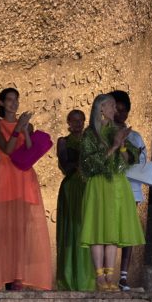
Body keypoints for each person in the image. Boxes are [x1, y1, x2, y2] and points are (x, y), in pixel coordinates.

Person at [0, 88, 52, 291]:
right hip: (4, 177)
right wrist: (18, 129)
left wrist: (26, 130)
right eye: (10, 100)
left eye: (16, 99)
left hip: (24, 177)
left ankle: (18, 276)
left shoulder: (24, 124)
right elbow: (7, 149)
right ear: (1, 102)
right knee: (3, 231)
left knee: (21, 230)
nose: (14, 103)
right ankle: (1, 275)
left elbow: (29, 150)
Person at [80, 94, 145, 291]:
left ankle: (109, 276)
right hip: (99, 184)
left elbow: (131, 158)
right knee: (99, 229)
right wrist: (114, 145)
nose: (114, 110)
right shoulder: (90, 134)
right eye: (111, 106)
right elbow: (88, 164)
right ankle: (99, 277)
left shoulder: (117, 130)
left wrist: (123, 145)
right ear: (101, 108)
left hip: (118, 186)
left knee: (112, 231)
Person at [110, 90, 148, 291]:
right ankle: (104, 275)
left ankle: (123, 276)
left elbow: (141, 162)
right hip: (110, 188)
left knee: (128, 232)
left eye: (124, 110)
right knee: (107, 230)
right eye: (117, 109)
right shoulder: (104, 133)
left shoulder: (135, 136)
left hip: (131, 188)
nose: (120, 114)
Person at [56, 109, 93, 291]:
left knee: (87, 229)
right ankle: (69, 277)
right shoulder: (63, 141)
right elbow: (64, 165)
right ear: (68, 122)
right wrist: (81, 163)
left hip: (88, 187)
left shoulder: (91, 140)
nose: (78, 123)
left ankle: (87, 278)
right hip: (71, 186)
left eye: (81, 120)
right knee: (72, 229)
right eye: (74, 120)